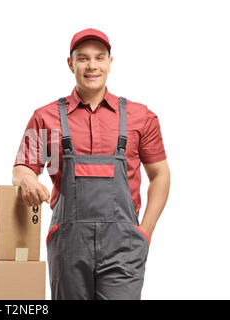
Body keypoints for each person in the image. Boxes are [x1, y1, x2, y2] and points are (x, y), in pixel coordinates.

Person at [12, 28, 170, 300]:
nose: (92, 66)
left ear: (110, 62)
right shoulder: (45, 117)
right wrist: (27, 179)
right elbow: (22, 168)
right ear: (70, 63)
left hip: (124, 245)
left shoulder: (140, 117)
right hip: (68, 245)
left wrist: (145, 232)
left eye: (99, 57)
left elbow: (160, 175)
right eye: (83, 58)